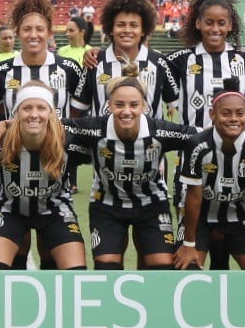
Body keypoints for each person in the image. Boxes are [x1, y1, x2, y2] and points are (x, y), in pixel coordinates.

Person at [65, 77, 200, 270]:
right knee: (106, 268)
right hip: (107, 205)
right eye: (119, 104)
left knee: (161, 269)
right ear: (109, 105)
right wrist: (6, 124)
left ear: (144, 106)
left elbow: (205, 134)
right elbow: (51, 123)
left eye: (134, 105)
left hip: (151, 205)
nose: (126, 111)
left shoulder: (160, 131)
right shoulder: (94, 127)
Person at [0, 84, 85, 270]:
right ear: (17, 112)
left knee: (75, 275)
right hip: (10, 208)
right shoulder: (0, 138)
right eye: (26, 108)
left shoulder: (69, 138)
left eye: (41, 108)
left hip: (55, 209)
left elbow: (104, 127)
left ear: (51, 113)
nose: (34, 114)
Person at [175, 86, 245, 272]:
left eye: (240, 113)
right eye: (226, 113)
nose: (234, 118)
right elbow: (193, 197)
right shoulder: (197, 145)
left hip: (238, 213)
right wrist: (188, 244)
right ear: (212, 114)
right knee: (187, 269)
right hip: (200, 216)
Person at [164, 0, 245, 129]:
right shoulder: (180, 59)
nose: (215, 29)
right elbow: (155, 71)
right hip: (193, 147)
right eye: (209, 22)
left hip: (234, 149)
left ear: (230, 25)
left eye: (221, 23)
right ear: (198, 23)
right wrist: (176, 103)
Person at [0, 0, 88, 121]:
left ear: (50, 32)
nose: (33, 35)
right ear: (17, 32)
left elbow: (79, 110)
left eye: (40, 29)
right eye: (27, 29)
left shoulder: (69, 68)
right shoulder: (2, 71)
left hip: (60, 141)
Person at [81, 0, 179, 120]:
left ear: (143, 30)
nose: (127, 30)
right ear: (110, 29)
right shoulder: (94, 61)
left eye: (134, 25)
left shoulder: (159, 62)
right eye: (120, 25)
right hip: (103, 139)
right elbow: (78, 108)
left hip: (150, 139)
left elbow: (177, 105)